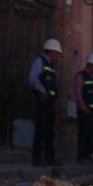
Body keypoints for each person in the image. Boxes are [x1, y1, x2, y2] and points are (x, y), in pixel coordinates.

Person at [27, 38, 61, 166]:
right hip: (42, 101)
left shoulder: (51, 65)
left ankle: (49, 158)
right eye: (56, 52)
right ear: (51, 51)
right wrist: (41, 90)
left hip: (50, 102)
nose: (58, 55)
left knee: (49, 131)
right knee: (40, 130)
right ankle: (37, 159)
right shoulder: (40, 61)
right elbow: (32, 78)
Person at [74, 53, 93, 162]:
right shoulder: (80, 76)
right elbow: (78, 93)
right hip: (84, 111)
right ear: (90, 65)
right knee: (84, 133)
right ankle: (82, 156)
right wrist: (83, 107)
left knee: (92, 134)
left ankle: (90, 155)